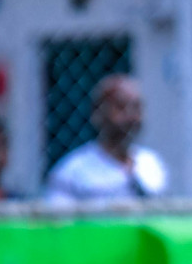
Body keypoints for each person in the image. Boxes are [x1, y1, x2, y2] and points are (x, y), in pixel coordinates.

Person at [45, 75, 167, 203]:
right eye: (121, 107)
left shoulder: (151, 163)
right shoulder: (73, 171)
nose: (130, 116)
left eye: (136, 107)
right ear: (97, 113)